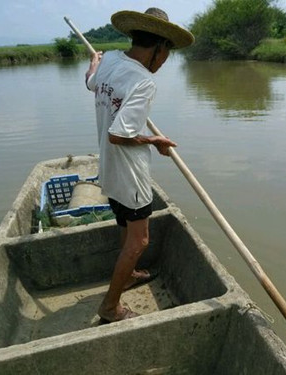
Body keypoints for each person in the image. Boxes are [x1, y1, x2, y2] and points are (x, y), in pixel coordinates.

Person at [85, 8, 194, 323]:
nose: (164, 62)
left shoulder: (108, 63)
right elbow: (120, 135)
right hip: (130, 175)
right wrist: (153, 141)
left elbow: (91, 83)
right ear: (159, 47)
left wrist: (93, 63)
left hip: (108, 169)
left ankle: (129, 273)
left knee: (124, 225)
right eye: (166, 54)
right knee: (139, 240)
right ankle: (109, 306)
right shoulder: (143, 81)